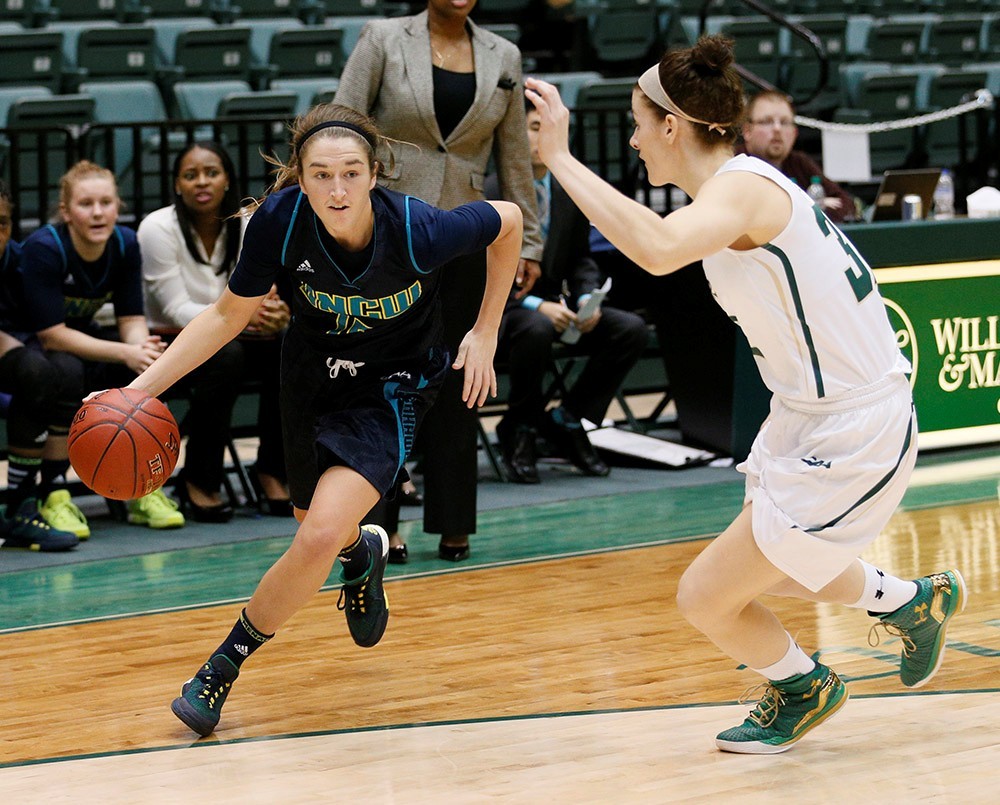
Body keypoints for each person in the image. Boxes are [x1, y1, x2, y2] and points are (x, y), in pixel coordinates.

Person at [525, 36, 965, 755]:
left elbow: (662, 250)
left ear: (673, 125)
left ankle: (804, 685)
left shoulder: (742, 188)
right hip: (807, 417)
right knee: (788, 573)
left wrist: (561, 159)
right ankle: (917, 602)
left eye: (639, 123)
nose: (634, 140)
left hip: (855, 425)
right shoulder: (738, 185)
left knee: (707, 594)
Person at [115, 104, 521, 737]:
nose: (337, 189)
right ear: (299, 179)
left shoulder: (419, 229)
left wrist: (487, 330)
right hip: (310, 379)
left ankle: (221, 667)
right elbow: (226, 317)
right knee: (317, 526)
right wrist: (138, 394)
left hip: (393, 387)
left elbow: (509, 220)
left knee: (313, 536)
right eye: (322, 174)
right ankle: (363, 553)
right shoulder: (278, 223)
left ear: (375, 173)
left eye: (351, 173)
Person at [335, 0, 544, 561]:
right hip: (386, 232)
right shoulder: (381, 38)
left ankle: (454, 522)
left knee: (459, 376)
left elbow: (514, 155)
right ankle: (379, 525)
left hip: (465, 237)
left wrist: (526, 242)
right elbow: (341, 126)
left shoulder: (504, 54)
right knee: (385, 378)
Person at [487, 102, 648, 483]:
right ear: (513, 134)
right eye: (533, 126)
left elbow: (581, 259)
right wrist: (535, 304)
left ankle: (567, 417)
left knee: (630, 329)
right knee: (535, 329)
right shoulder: (492, 189)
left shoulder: (567, 191)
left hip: (556, 304)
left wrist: (585, 297)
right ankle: (520, 425)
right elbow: (478, 270)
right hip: (503, 308)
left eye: (549, 128)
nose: (541, 136)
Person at [19, 161, 185, 532]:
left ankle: (142, 488)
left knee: (144, 366)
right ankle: (53, 493)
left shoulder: (125, 243)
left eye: (106, 202)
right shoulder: (44, 248)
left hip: (88, 338)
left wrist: (143, 352)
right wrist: (127, 351)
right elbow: (52, 334)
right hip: (32, 344)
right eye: (85, 204)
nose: (97, 213)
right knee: (66, 370)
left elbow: (130, 320)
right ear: (66, 211)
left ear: (117, 205)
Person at [138, 141, 292, 520]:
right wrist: (243, 315)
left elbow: (265, 293)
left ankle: (273, 468)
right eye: (190, 175)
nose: (201, 182)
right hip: (171, 340)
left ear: (227, 181)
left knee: (289, 347)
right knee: (226, 356)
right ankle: (201, 479)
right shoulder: (157, 227)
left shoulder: (249, 223)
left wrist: (277, 314)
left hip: (237, 332)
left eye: (211, 173)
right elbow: (175, 308)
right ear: (177, 185)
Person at [0, 180, 80, 551]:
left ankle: (31, 500)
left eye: (1, 223)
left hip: (16, 358)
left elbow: (46, 329)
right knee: (34, 370)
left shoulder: (18, 260)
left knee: (60, 370)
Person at [740, 90, 857, 224]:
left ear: (794, 133)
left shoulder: (800, 162)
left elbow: (845, 204)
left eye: (784, 122)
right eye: (767, 121)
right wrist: (812, 208)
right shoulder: (735, 164)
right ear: (747, 131)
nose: (777, 129)